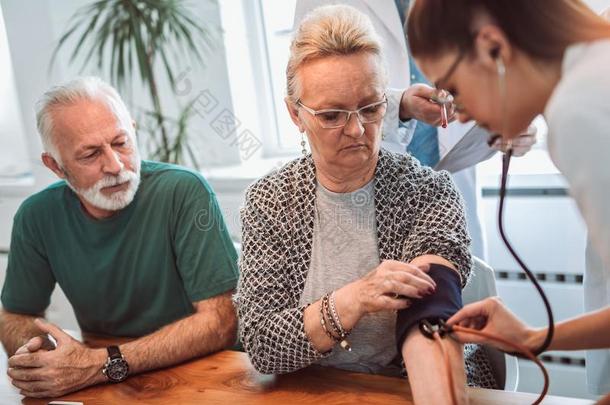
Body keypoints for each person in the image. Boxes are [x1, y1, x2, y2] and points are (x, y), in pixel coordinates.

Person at [236, 6, 496, 405]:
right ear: (295, 114)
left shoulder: (427, 192)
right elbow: (263, 345)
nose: (356, 130)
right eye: (332, 115)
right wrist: (353, 299)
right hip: (317, 393)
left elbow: (430, 321)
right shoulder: (270, 203)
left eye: (371, 107)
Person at [406, 0, 610, 395]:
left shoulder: (579, 108)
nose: (459, 116)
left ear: (493, 46)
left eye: (455, 91)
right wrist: (532, 337)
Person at [0, 77, 239, 398]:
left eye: (121, 143)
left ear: (134, 131)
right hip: (110, 382)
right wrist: (40, 358)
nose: (114, 165)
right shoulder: (36, 215)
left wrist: (103, 363)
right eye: (90, 155)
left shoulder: (183, 191)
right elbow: (16, 315)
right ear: (55, 165)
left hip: (207, 375)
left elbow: (221, 321)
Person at [294, 0, 537, 261]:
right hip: (365, 189)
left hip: (451, 181)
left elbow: (501, 73)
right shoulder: (274, 199)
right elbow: (310, 87)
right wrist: (399, 105)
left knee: (457, 286)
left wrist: (511, 120)